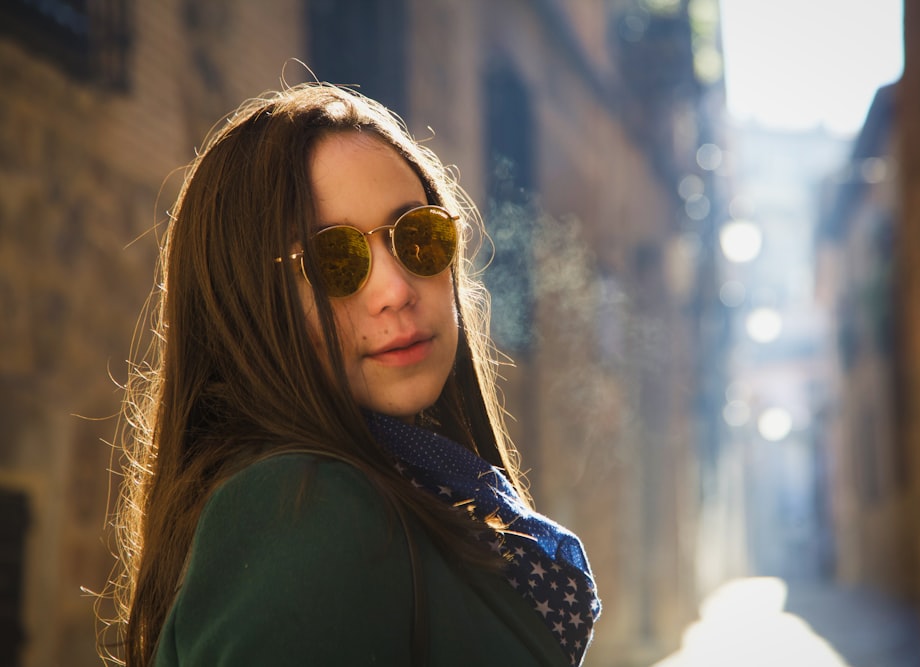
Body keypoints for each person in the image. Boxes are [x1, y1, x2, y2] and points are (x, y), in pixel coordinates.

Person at [103, 82, 599, 666]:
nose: (395, 290)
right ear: (244, 303)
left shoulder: (408, 488)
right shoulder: (303, 511)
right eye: (329, 260)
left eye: (419, 236)